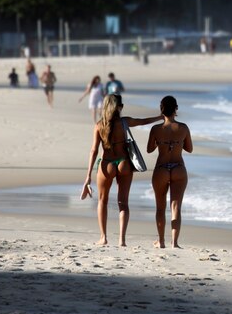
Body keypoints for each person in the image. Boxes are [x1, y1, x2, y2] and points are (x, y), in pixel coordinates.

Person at [81, 94, 162, 246]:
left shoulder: (99, 126)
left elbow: (94, 151)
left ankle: (103, 237)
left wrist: (88, 176)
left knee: (102, 201)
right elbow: (143, 121)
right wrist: (160, 117)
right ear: (119, 107)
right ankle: (122, 240)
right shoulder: (124, 122)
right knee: (123, 203)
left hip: (107, 164)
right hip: (124, 163)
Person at [147, 95, 193, 249]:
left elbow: (149, 149)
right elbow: (189, 149)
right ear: (176, 109)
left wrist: (161, 142)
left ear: (161, 110)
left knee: (160, 207)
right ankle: (175, 242)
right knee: (176, 206)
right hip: (178, 168)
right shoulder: (184, 128)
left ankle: (160, 241)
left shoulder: (156, 129)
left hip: (161, 168)